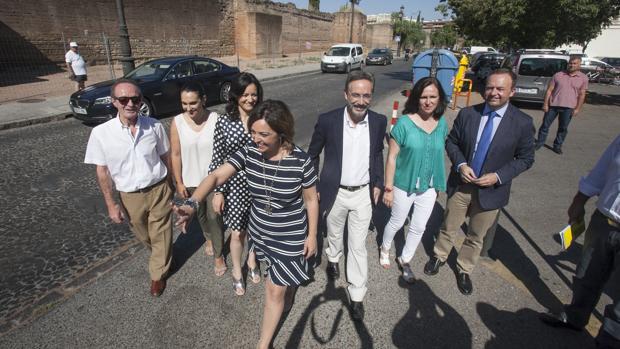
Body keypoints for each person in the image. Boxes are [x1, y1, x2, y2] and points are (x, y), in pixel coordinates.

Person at [174, 100, 319, 349]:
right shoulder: (249, 152)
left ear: (281, 132)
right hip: (260, 230)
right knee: (278, 283)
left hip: (290, 233)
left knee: (275, 290)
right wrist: (193, 202)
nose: (256, 139)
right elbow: (217, 175)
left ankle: (263, 345)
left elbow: (311, 201)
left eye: (264, 134)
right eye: (253, 132)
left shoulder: (301, 161)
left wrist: (313, 235)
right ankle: (288, 287)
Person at [423, 69, 535, 295]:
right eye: (490, 88)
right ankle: (439, 256)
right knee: (448, 226)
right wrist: (461, 165)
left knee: (476, 235)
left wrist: (498, 176)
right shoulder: (468, 114)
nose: (494, 93)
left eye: (500, 89)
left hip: (492, 190)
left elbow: (525, 158)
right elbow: (452, 143)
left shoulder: (522, 122)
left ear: (511, 91)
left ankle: (464, 268)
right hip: (462, 185)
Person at [307, 70, 387, 321]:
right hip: (335, 192)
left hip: (363, 193)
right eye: (356, 95)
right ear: (345, 94)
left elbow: (376, 154)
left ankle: (357, 295)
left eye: (366, 95)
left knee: (358, 246)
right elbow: (312, 155)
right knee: (333, 233)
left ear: (371, 96)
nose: (361, 101)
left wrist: (377, 182)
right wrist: (314, 186)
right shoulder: (328, 121)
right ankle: (333, 258)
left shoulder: (378, 121)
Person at [84, 79, 173, 297]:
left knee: (160, 232)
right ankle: (161, 255)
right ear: (114, 102)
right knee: (144, 235)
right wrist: (111, 204)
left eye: (135, 98)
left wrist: (173, 184)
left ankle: (157, 274)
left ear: (141, 100)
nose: (130, 103)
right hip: (129, 196)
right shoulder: (101, 133)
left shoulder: (154, 125)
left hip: (158, 188)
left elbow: (166, 157)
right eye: (123, 99)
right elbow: (102, 172)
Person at [539, 134, 620, 349]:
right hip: (604, 220)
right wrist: (579, 199)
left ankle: (610, 341)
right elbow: (602, 169)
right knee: (586, 275)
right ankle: (575, 316)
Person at [380, 77, 448, 283]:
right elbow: (391, 157)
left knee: (419, 226)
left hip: (428, 186)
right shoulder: (404, 123)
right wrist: (388, 188)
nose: (428, 102)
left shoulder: (441, 123)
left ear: (439, 98)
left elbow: (438, 155)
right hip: (403, 184)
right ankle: (385, 249)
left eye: (432, 97)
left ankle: (405, 258)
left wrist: (437, 184)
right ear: (416, 99)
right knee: (397, 221)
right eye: (423, 97)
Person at [209, 72, 263, 296]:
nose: (250, 99)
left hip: (259, 182)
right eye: (245, 95)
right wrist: (219, 191)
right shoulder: (224, 121)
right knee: (238, 232)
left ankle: (252, 260)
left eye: (254, 94)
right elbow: (217, 157)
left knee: (257, 229)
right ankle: (237, 273)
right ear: (236, 96)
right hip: (235, 186)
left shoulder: (262, 117)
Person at [169, 82, 226, 276]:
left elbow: (224, 152)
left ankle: (219, 255)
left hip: (214, 180)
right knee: (200, 215)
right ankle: (208, 236)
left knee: (214, 216)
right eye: (184, 103)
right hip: (191, 180)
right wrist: (179, 182)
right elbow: (175, 154)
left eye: (193, 103)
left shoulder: (216, 119)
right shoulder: (177, 122)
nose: (188, 108)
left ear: (203, 100)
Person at [535, 55, 588, 154]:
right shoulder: (558, 75)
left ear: (579, 64)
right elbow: (549, 90)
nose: (571, 65)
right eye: (570, 63)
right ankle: (539, 143)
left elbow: (582, 95)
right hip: (553, 105)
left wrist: (577, 109)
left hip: (569, 107)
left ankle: (557, 146)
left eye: (574, 63)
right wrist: (545, 104)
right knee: (545, 126)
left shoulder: (583, 78)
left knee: (563, 128)